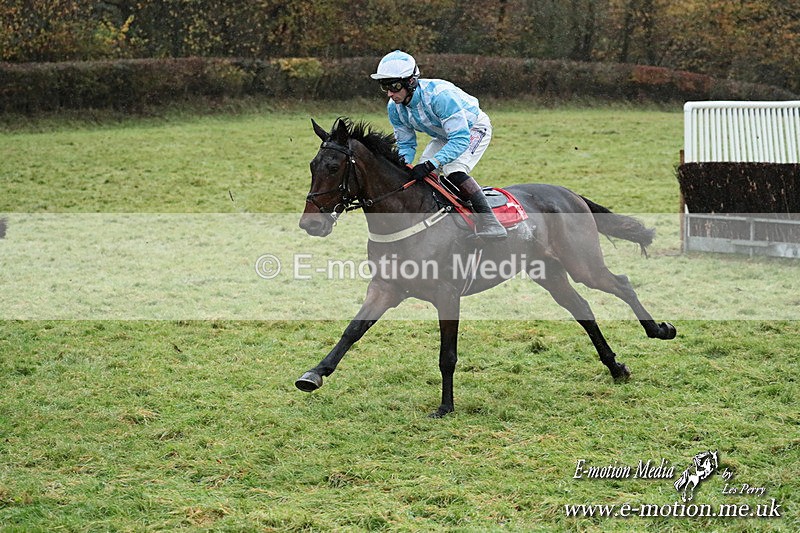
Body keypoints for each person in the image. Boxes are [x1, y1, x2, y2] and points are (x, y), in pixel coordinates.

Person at [371, 50, 507, 240]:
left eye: (394, 86)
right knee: (422, 176)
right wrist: (403, 166)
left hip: (472, 129)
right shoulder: (394, 108)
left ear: (411, 82)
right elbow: (406, 143)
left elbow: (460, 139)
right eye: (384, 87)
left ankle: (491, 222)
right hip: (445, 135)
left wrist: (431, 164)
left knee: (453, 169)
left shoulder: (440, 97)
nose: (390, 93)